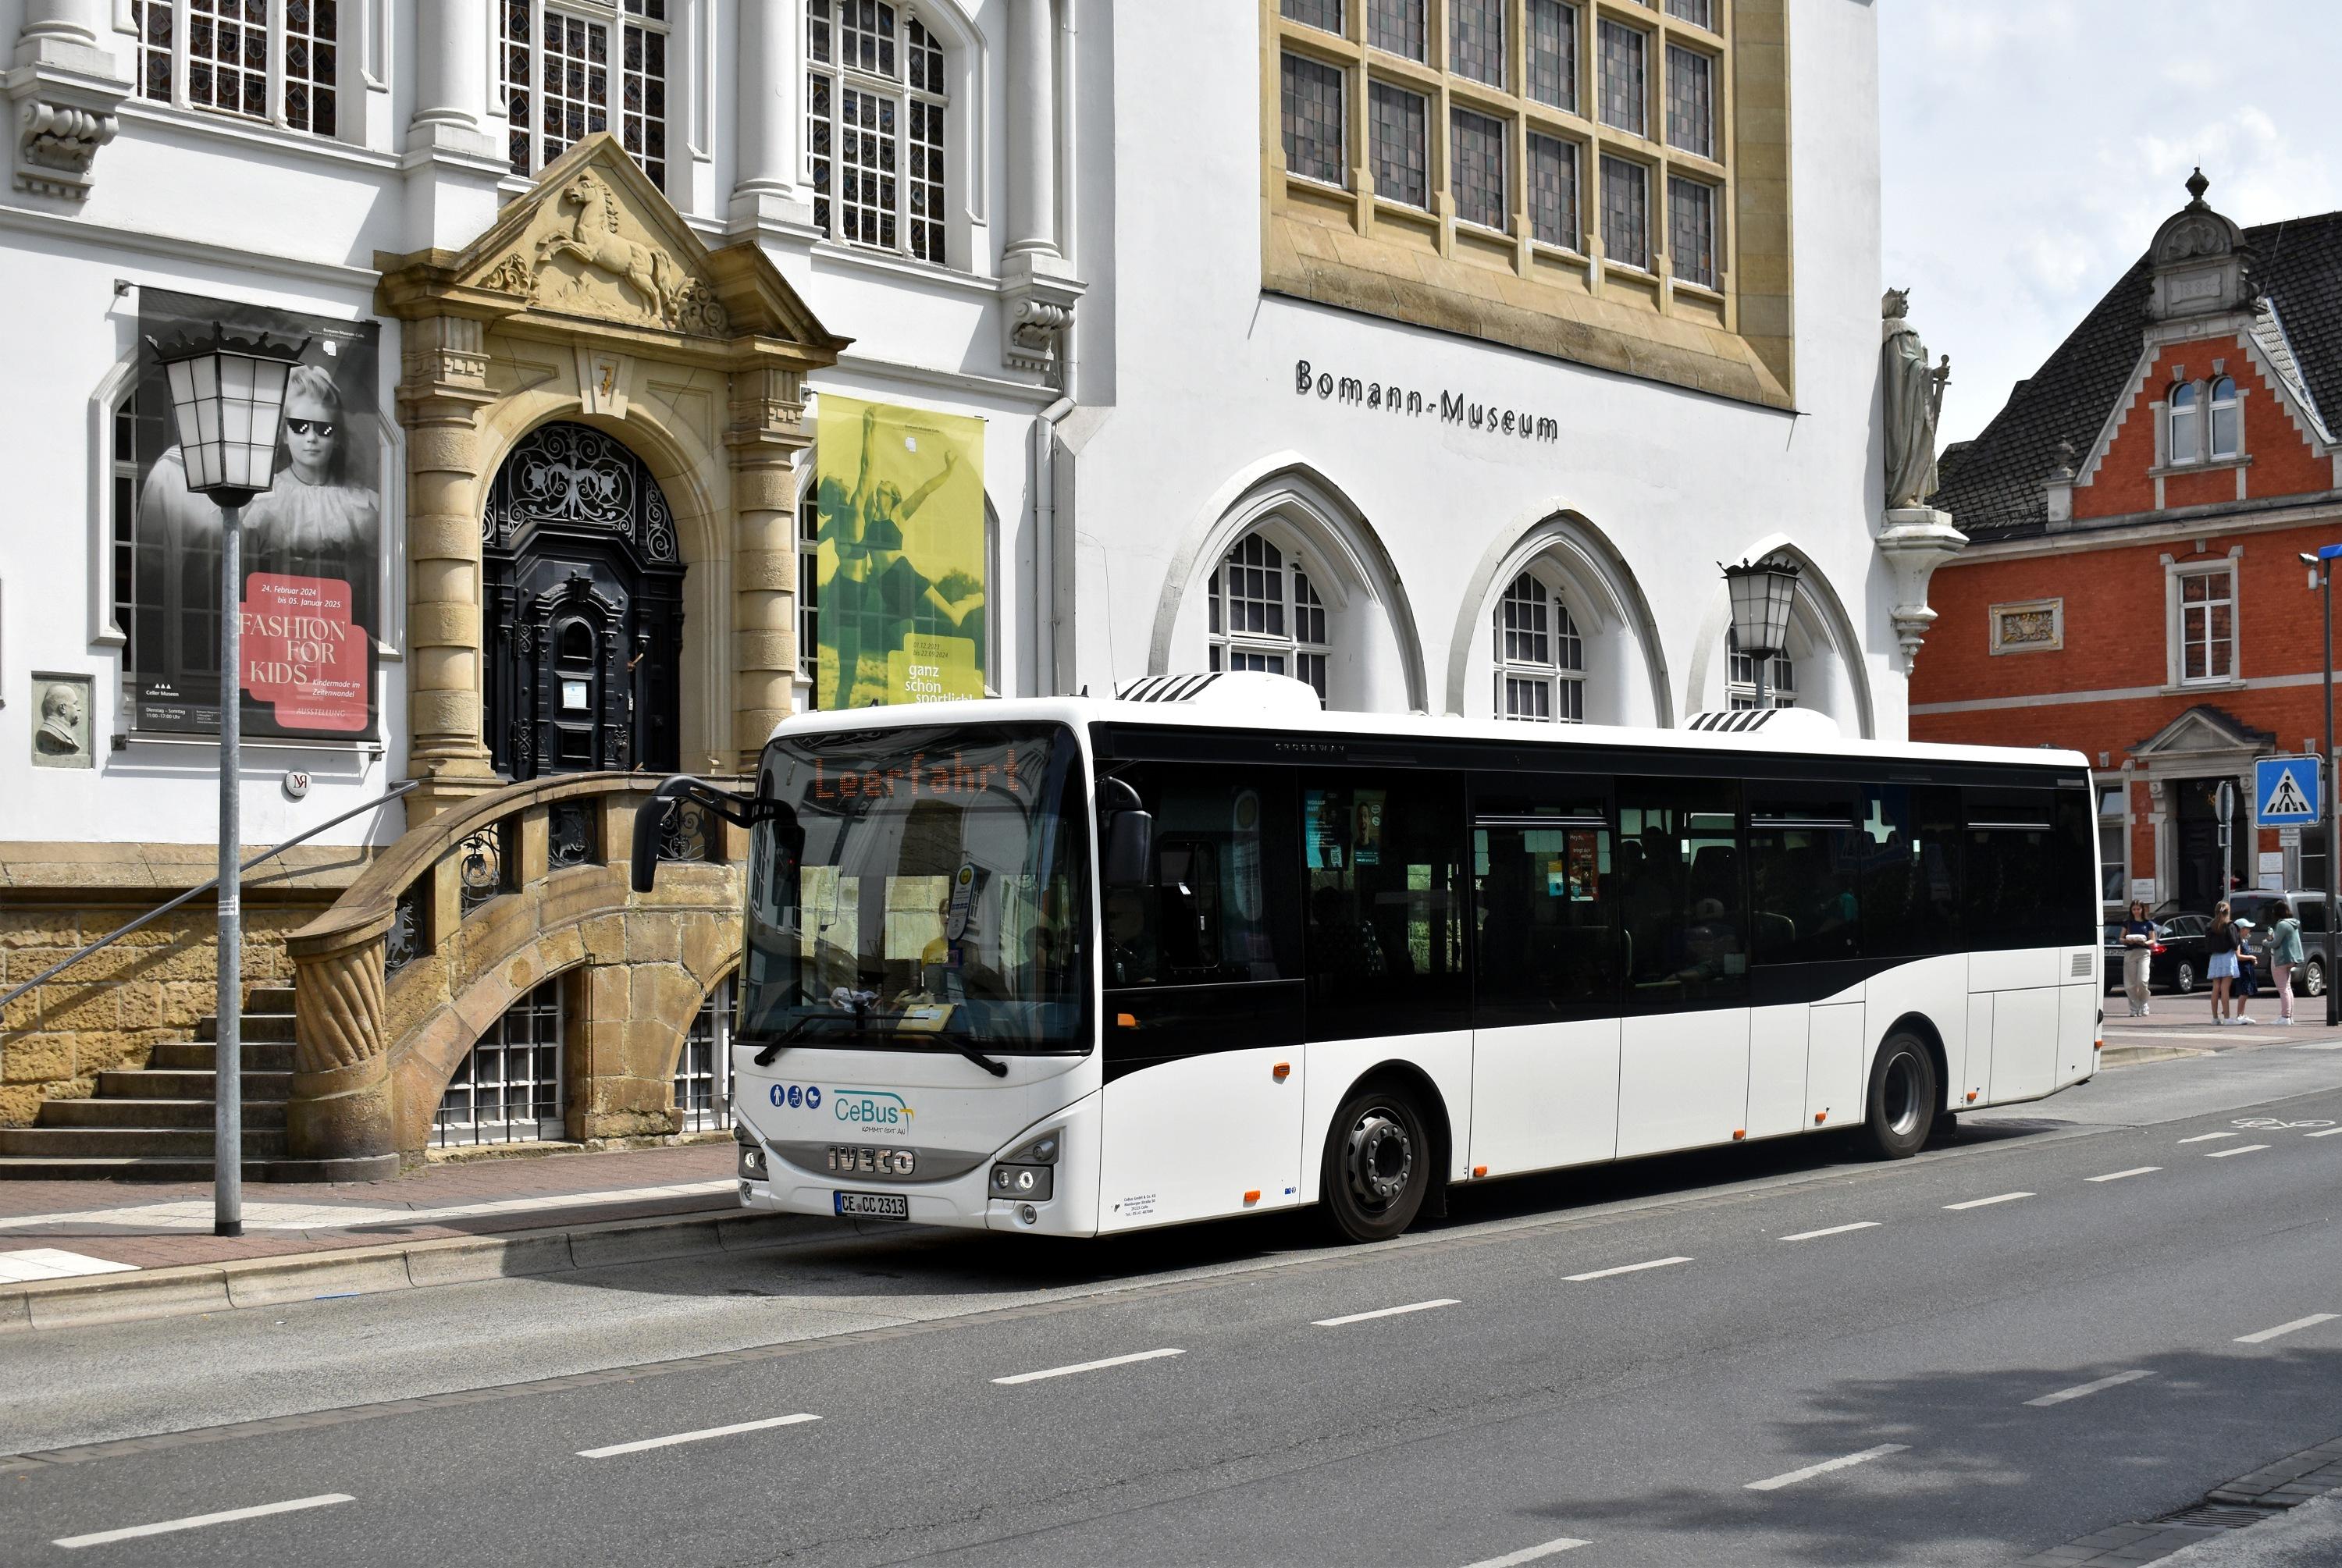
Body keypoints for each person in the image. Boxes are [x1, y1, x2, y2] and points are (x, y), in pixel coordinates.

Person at [2118, 899, 2156, 1018]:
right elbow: (2121, 938)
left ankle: (2144, 1003)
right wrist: (2127, 940)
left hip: (2144, 953)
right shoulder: (2127, 923)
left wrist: (2145, 942)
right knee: (2130, 984)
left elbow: (2153, 939)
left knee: (2143, 981)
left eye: (2138, 909)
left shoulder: (2148, 923)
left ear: (2142, 909)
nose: (2136, 912)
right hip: (2130, 953)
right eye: (2134, 909)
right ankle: (2134, 1008)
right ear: (2131, 910)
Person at [2269, 900, 2305, 1026]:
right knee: (2288, 988)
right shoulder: (2292, 923)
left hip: (2281, 959)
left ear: (2277, 912)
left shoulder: (2282, 925)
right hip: (2291, 959)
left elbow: (2275, 943)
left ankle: (2285, 1016)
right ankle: (2290, 1017)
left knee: (2283, 988)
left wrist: (2266, 942)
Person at [2205, 901, 2242, 1025]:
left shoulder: (2210, 926)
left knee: (2216, 988)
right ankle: (2227, 1018)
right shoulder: (2229, 925)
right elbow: (2234, 943)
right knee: (2225, 988)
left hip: (2215, 957)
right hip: (2227, 957)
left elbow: (2207, 945)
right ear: (2228, 912)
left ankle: (2215, 1018)